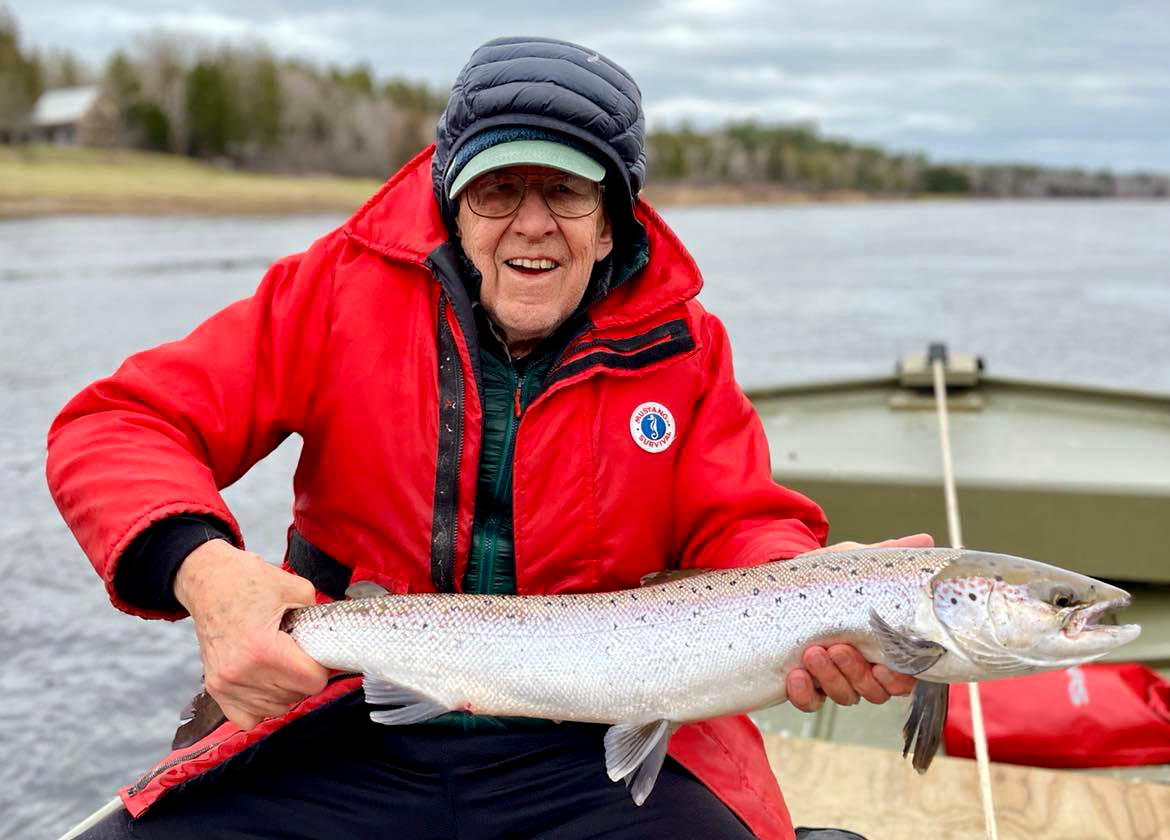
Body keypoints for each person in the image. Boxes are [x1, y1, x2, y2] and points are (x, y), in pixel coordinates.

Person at [49, 36, 923, 840]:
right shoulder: (333, 294)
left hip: (589, 746)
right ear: (455, 209)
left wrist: (807, 593)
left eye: (567, 192)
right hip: (343, 719)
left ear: (611, 221)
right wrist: (203, 571)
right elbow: (118, 424)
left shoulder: (686, 348)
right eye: (499, 190)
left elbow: (738, 525)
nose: (532, 224)